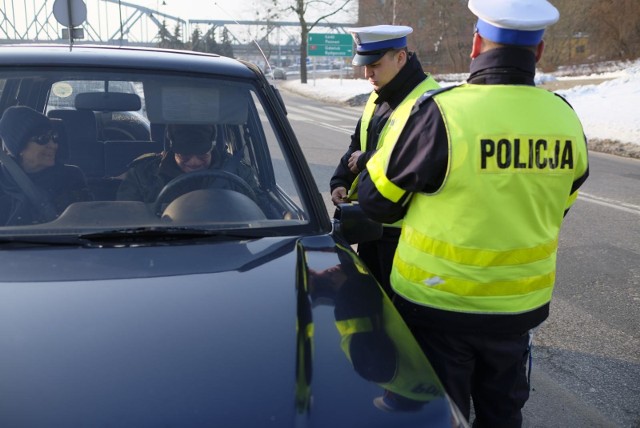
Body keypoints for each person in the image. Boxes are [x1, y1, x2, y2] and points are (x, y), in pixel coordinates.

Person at [356, 0, 590, 426]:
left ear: (476, 44)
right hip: (519, 309)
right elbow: (562, 202)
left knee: (440, 417)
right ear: (537, 53)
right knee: (503, 414)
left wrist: (377, 159)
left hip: (437, 306)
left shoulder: (442, 113)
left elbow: (377, 204)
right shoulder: (566, 117)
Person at [329, 25, 440, 297]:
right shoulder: (380, 94)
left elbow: (421, 161)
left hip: (407, 234)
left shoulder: (430, 102)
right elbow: (358, 143)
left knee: (399, 319)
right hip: (372, 225)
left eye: (375, 65)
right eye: (365, 66)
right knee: (367, 308)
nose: (368, 74)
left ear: (400, 58)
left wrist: (366, 160)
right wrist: (340, 180)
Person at [116, 123, 260, 204]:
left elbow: (260, 207)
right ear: (173, 149)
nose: (194, 162)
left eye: (202, 154)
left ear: (212, 147)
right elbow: (126, 217)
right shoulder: (143, 175)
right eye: (185, 155)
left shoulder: (238, 173)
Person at [0, 106, 93, 225]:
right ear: (19, 148)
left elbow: (85, 223)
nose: (53, 145)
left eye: (54, 138)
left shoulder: (71, 177)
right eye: (42, 139)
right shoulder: (2, 178)